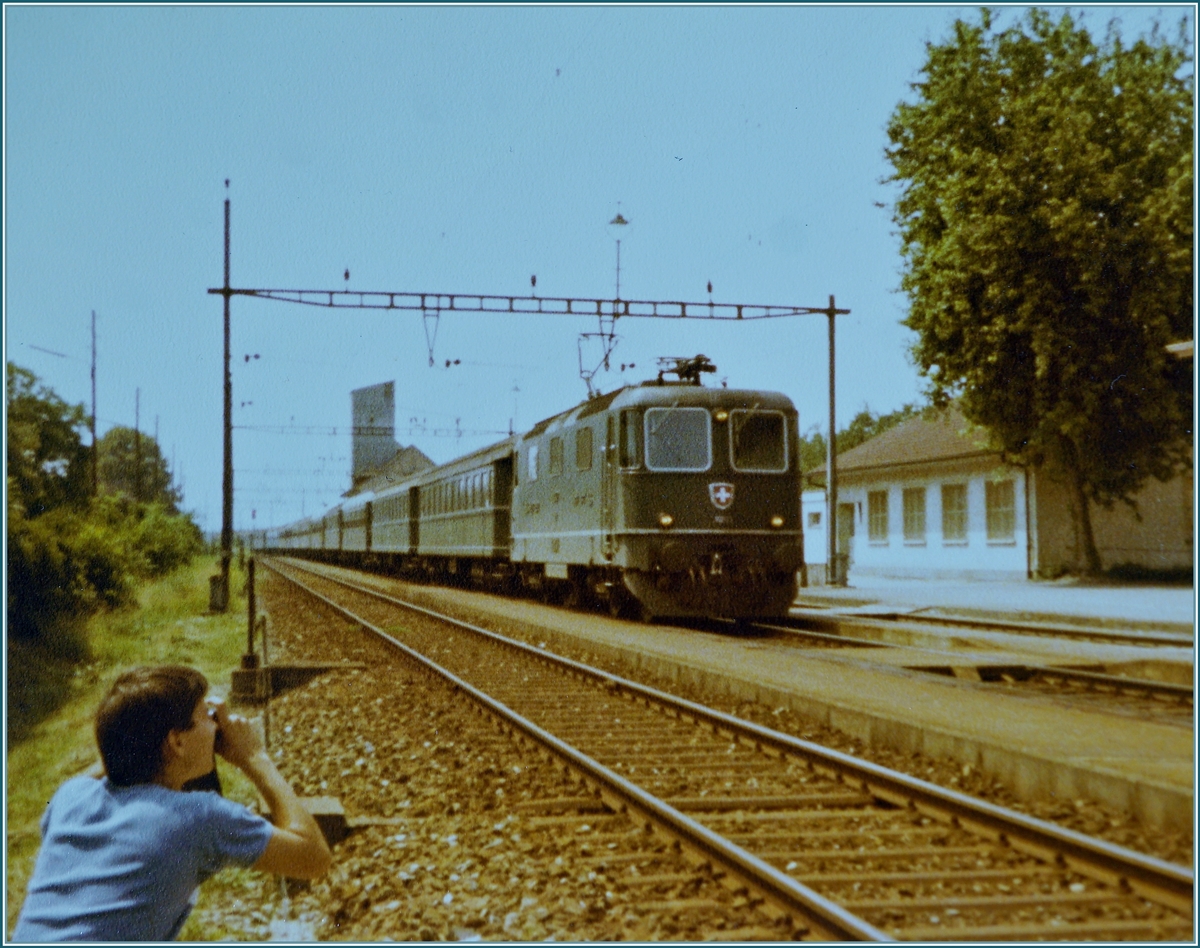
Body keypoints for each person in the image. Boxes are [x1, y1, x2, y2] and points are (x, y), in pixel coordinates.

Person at [13, 665, 332, 941]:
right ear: (177, 741)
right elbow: (314, 859)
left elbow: (104, 768)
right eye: (205, 715)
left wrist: (127, 733)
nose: (215, 724)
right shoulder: (199, 818)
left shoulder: (70, 798)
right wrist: (255, 758)